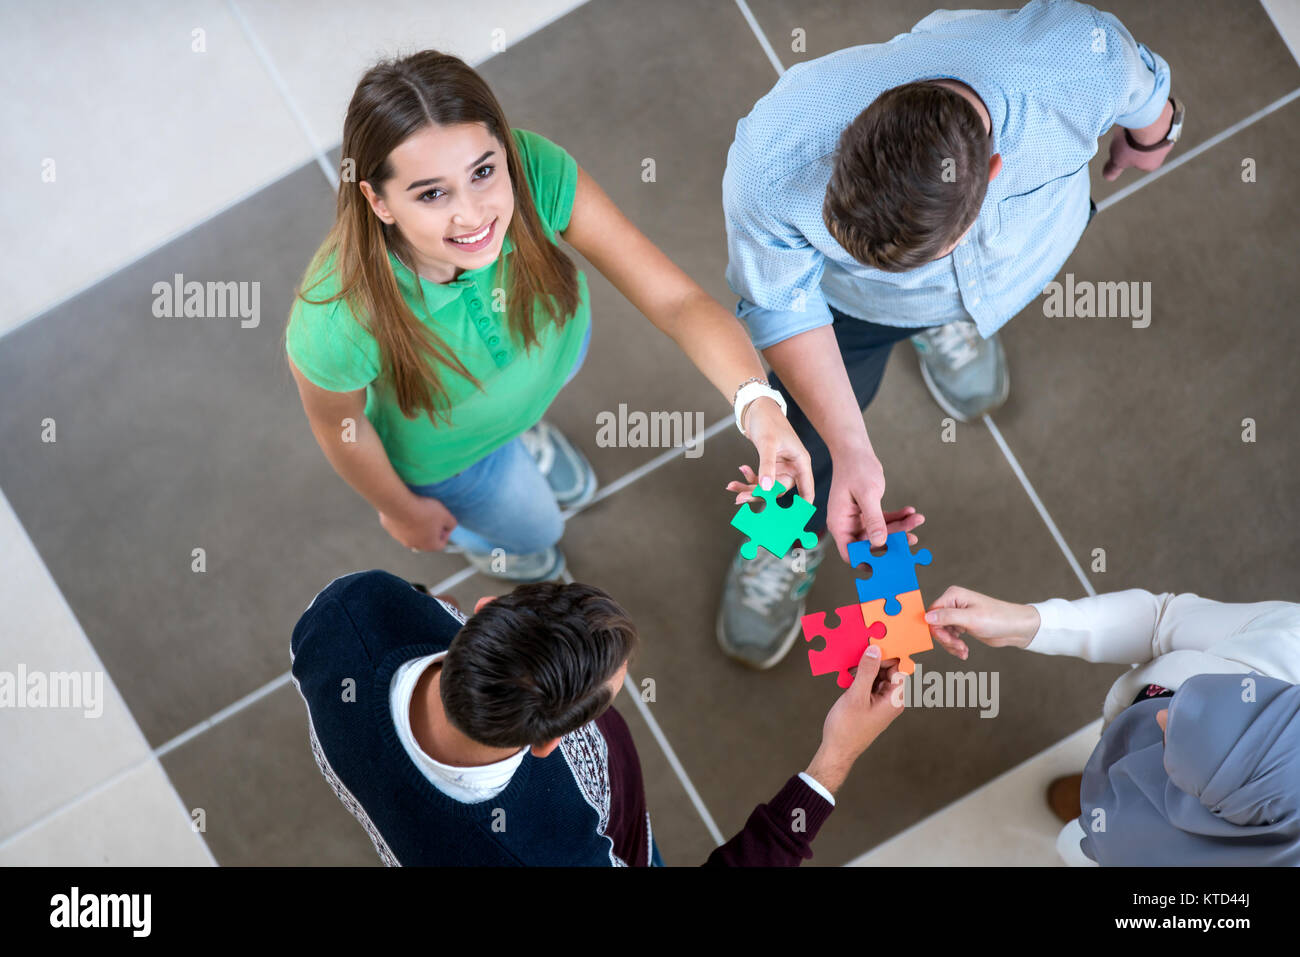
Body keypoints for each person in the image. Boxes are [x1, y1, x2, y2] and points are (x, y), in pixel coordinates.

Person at [715, 0, 1185, 669]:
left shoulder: (1079, 57)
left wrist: (1149, 137)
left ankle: (947, 324)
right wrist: (851, 448)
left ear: (993, 174)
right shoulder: (771, 157)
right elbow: (781, 304)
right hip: (849, 309)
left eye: (920, 257)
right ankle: (779, 542)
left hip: (1016, 264)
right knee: (803, 440)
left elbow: (1146, 92)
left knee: (947, 306)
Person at [285, 50, 813, 584]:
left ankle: (524, 433)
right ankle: (502, 547)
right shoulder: (336, 313)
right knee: (537, 532)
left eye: (484, 171)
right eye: (433, 194)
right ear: (378, 201)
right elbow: (338, 424)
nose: (473, 215)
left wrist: (758, 404)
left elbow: (677, 302)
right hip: (454, 457)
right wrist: (402, 509)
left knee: (531, 431)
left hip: (549, 359)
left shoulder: (535, 170)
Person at [289, 567, 911, 866]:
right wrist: (836, 757)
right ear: (551, 742)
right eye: (607, 701)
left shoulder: (353, 609)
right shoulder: (547, 854)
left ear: (483, 609)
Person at [924, 585, 1300, 865]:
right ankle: (1101, 792)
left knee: (1078, 845)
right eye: (1204, 693)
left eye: (1179, 743)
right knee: (1104, 787)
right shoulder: (1290, 639)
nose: (1162, 714)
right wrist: (1026, 623)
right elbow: (1162, 621)